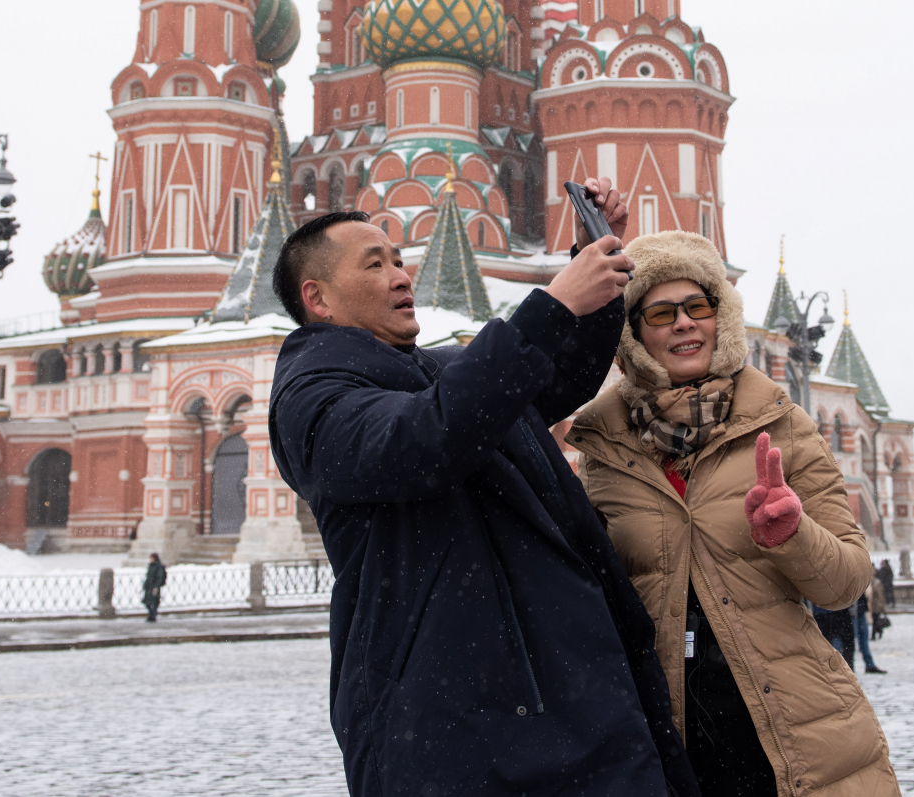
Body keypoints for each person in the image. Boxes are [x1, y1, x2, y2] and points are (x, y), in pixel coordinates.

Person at [267, 181, 700, 797]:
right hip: (456, 711)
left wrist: (590, 266)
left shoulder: (441, 370)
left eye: (397, 259)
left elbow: (555, 375)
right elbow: (423, 439)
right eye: (375, 264)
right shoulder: (313, 398)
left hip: (560, 683)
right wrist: (549, 305)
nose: (399, 275)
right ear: (320, 299)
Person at [574, 230, 901, 797]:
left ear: (720, 319)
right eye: (661, 312)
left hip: (792, 730)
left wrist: (794, 534)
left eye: (698, 306)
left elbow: (846, 582)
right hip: (664, 739)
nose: (684, 323)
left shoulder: (781, 423)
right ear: (634, 336)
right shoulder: (604, 447)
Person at [854, 586, 888, 674]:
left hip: (860, 609)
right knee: (849, 641)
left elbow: (868, 597)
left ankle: (869, 664)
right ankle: (849, 666)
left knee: (864, 639)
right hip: (851, 611)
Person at [142, 552, 166, 622]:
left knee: (154, 602)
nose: (151, 559)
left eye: (152, 558)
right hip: (148, 586)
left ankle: (153, 615)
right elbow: (148, 576)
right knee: (147, 602)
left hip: (154, 587)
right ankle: (152, 615)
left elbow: (159, 577)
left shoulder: (158, 566)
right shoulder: (151, 566)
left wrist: (156, 586)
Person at [870, 571, 890, 640]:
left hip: (875, 606)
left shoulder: (877, 583)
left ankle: (874, 635)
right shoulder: (868, 583)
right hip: (870, 605)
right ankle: (877, 632)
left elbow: (880, 596)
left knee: (875, 621)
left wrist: (882, 607)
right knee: (874, 621)